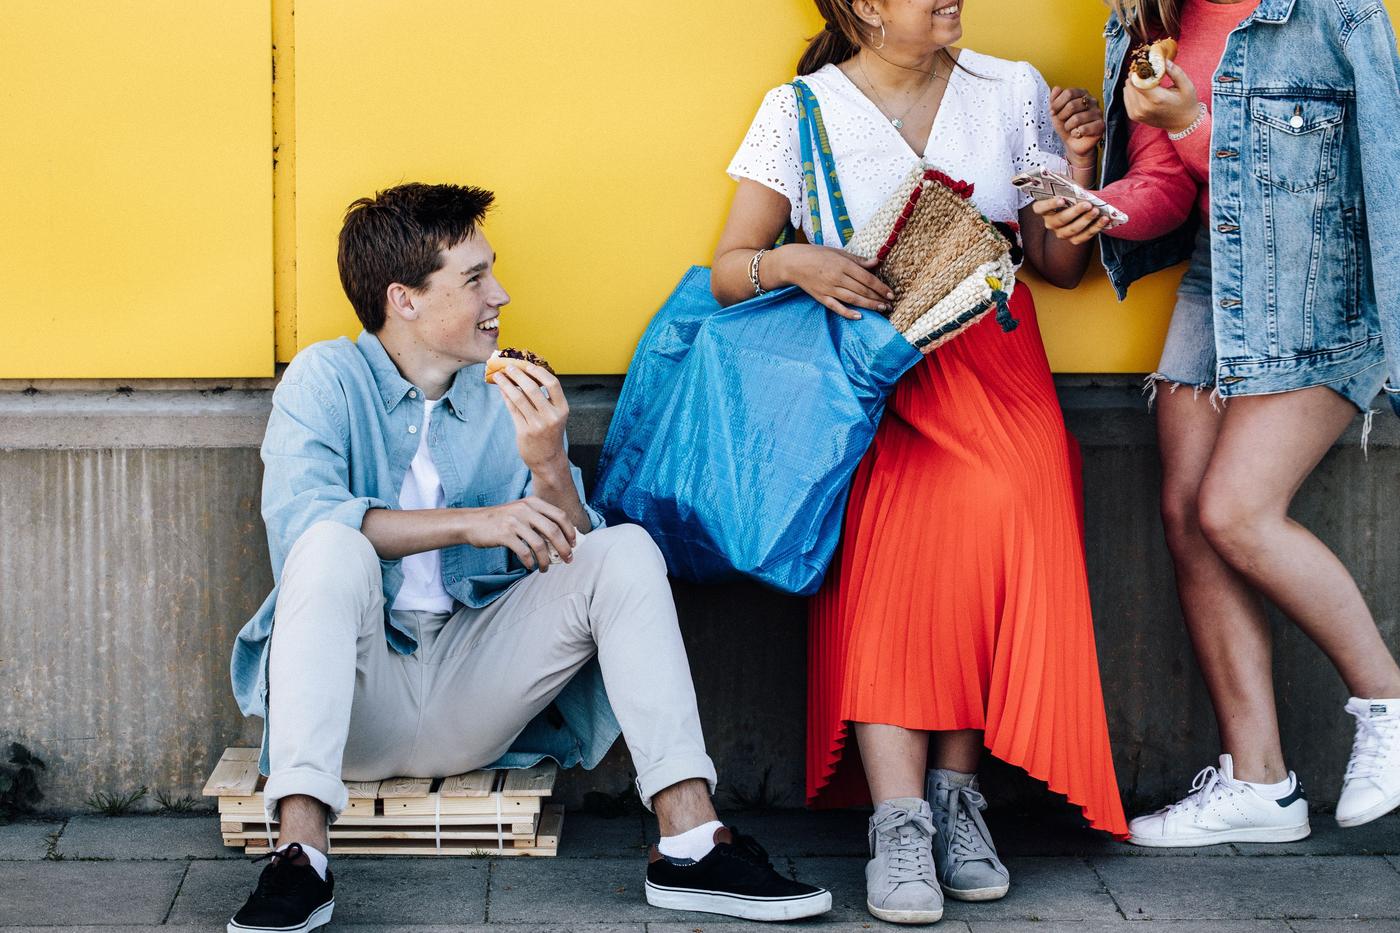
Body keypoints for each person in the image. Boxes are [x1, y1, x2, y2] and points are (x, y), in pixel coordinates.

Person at [224, 182, 832, 932]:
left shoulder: (496, 397)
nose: (499, 294)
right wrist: (476, 523)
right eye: (474, 278)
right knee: (328, 544)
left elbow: (576, 548)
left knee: (625, 550)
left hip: (470, 694)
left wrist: (547, 463)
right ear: (403, 300)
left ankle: (693, 842)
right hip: (355, 706)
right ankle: (299, 861)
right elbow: (303, 526)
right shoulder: (324, 380)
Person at [714, 0, 1129, 923]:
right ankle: (898, 823)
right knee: (890, 565)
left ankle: (956, 802)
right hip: (870, 381)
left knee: (997, 534)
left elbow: (1058, 268)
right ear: (864, 6)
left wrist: (1080, 167)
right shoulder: (801, 108)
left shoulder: (1007, 87)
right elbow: (728, 265)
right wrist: (799, 266)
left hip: (997, 367)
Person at [1039, 0, 1400, 846]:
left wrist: (1196, 117)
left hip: (1322, 283)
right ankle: (1258, 780)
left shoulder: (1337, 14)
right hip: (1217, 277)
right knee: (1188, 514)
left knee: (1235, 510)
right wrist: (1106, 206)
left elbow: (1380, 175)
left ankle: (1387, 699)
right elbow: (1170, 183)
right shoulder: (1153, 15)